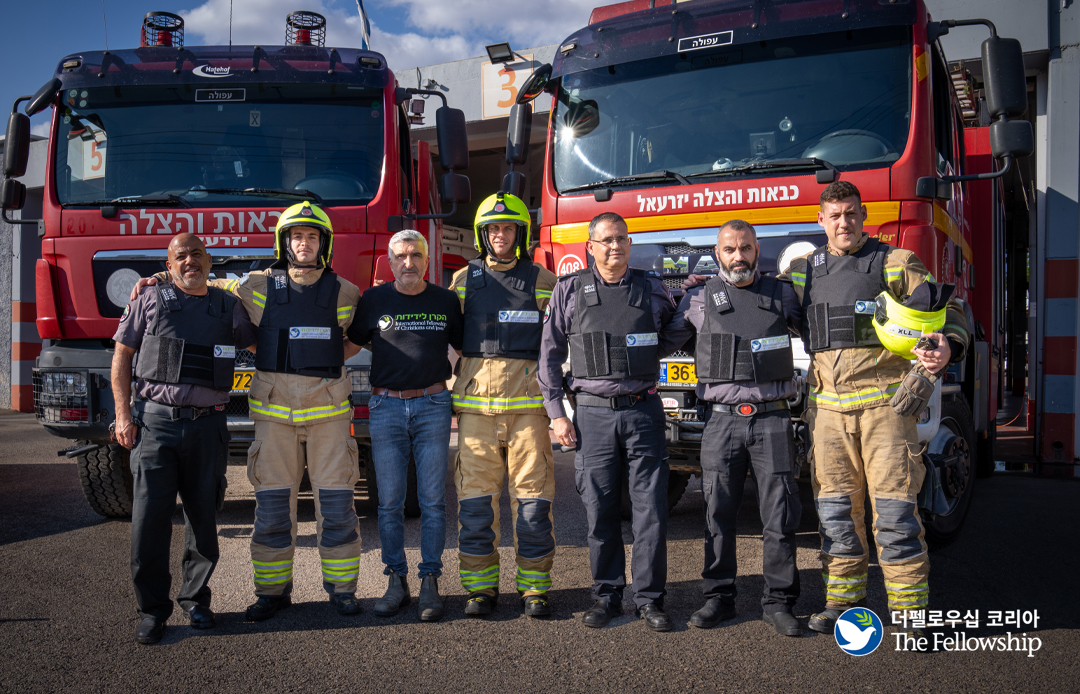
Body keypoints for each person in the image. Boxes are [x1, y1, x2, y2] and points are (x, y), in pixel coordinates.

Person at [132, 202, 365, 621]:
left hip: (329, 414)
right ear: (283, 242)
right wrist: (160, 278)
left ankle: (342, 591)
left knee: (336, 506)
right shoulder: (256, 286)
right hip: (274, 415)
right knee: (272, 508)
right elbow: (202, 281)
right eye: (297, 236)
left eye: (312, 237)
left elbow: (354, 340)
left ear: (324, 243)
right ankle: (271, 593)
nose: (304, 243)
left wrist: (323, 362)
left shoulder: (347, 292)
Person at [786, 181, 969, 634]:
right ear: (820, 220)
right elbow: (765, 307)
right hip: (827, 417)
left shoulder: (895, 262)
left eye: (851, 213)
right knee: (836, 517)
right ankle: (842, 603)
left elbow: (948, 310)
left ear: (863, 215)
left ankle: (911, 615)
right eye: (834, 215)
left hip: (886, 412)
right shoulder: (803, 272)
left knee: (896, 516)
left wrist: (949, 345)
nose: (843, 222)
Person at [112, 233, 257, 644]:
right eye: (181, 256)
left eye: (197, 254)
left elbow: (259, 345)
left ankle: (196, 601)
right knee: (149, 522)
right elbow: (121, 357)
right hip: (155, 426)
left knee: (203, 519)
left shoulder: (228, 305)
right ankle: (152, 610)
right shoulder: (148, 299)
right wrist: (122, 416)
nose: (190, 261)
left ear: (210, 262)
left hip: (208, 427)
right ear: (169, 264)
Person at [539, 211, 680, 632]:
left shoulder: (653, 288)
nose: (615, 246)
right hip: (593, 414)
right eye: (606, 240)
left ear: (629, 244)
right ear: (591, 246)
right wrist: (557, 414)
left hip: (643, 410)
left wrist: (648, 354)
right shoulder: (569, 290)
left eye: (621, 239)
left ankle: (649, 599)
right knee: (600, 510)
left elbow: (675, 330)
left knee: (650, 512)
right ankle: (606, 596)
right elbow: (548, 355)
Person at [666, 220, 804, 637]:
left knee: (779, 516)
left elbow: (819, 339)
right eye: (730, 249)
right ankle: (719, 598)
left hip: (772, 418)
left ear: (757, 250)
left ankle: (779, 602)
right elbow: (662, 341)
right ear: (718, 253)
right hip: (721, 421)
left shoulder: (782, 294)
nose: (738, 256)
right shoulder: (697, 297)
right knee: (717, 513)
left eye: (745, 248)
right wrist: (672, 295)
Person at [449, 193, 559, 618]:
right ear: (483, 234)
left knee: (533, 504)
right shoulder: (462, 281)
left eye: (508, 228)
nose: (500, 235)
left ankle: (535, 589)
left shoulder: (543, 280)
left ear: (520, 233)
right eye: (493, 228)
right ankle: (480, 589)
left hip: (528, 411)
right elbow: (447, 337)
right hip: (476, 411)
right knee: (476, 506)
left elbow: (560, 336)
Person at [346, 230, 463, 622]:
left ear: (427, 261)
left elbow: (465, 347)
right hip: (386, 406)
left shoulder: (446, 300)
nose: (408, 263)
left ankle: (429, 580)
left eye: (415, 256)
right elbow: (352, 343)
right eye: (400, 256)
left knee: (432, 501)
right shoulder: (373, 300)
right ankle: (396, 580)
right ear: (390, 261)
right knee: (390, 502)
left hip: (433, 405)